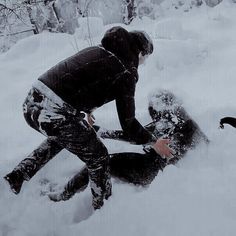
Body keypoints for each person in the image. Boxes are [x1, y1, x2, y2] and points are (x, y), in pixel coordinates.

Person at [4, 26, 173, 210]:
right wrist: (154, 142)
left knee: (65, 137)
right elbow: (129, 124)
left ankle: (17, 176)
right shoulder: (126, 71)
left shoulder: (99, 50)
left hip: (32, 103)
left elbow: (81, 80)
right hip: (54, 111)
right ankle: (103, 209)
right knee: (99, 157)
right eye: (145, 58)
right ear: (139, 52)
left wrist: (86, 111)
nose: (143, 63)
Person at [47, 90, 209, 202]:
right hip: (154, 169)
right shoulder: (179, 122)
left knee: (104, 162)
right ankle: (72, 190)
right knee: (105, 163)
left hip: (148, 170)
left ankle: (65, 193)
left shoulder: (172, 122)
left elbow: (132, 135)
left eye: (154, 109)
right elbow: (135, 136)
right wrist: (99, 131)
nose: (153, 114)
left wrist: (100, 131)